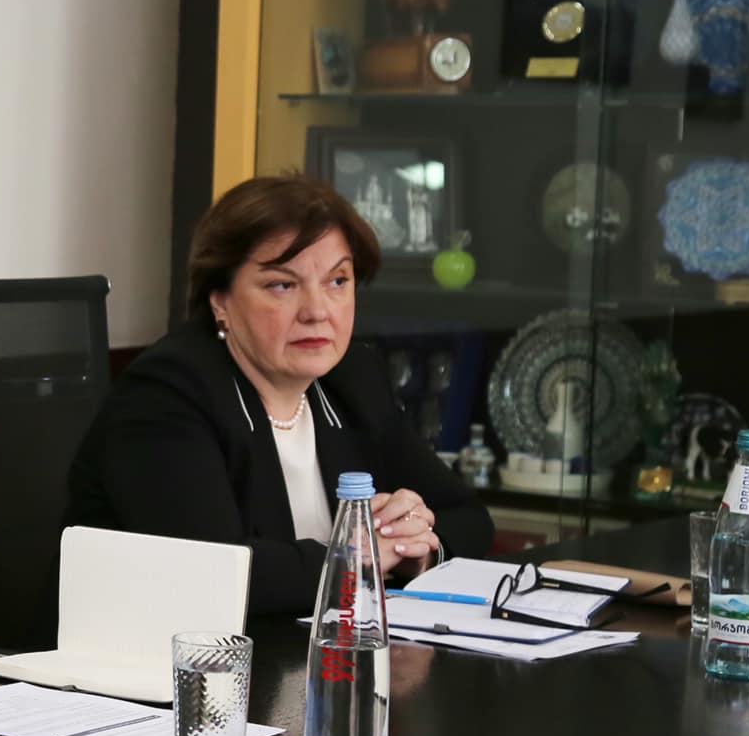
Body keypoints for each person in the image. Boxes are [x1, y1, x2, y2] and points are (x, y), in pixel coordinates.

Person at [64, 174, 492, 613]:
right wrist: (354, 561)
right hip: (157, 650)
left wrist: (415, 546)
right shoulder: (164, 395)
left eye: (337, 281)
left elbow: (468, 518)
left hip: (316, 645)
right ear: (220, 300)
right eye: (282, 285)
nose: (317, 311)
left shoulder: (352, 378)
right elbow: (211, 572)